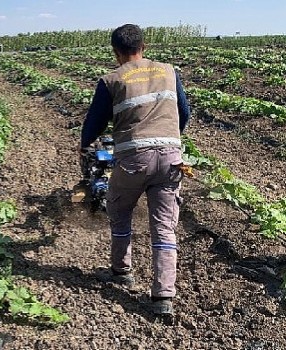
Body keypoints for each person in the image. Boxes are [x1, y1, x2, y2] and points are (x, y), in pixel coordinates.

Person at [79, 24, 191, 315]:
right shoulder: (169, 71)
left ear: (116, 52)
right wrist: (170, 137)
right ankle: (163, 297)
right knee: (164, 228)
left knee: (120, 212)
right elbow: (185, 111)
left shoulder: (111, 79)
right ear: (145, 46)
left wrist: (85, 143)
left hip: (133, 159)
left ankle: (121, 271)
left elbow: (95, 122)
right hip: (171, 158)